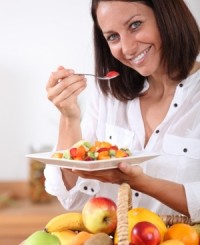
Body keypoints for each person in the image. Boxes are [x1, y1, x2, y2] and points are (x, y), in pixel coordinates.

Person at [44, 0, 200, 222]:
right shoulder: (108, 95)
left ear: (167, 15)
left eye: (135, 25)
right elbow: (72, 197)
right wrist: (69, 116)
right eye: (113, 36)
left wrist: (142, 183)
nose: (127, 49)